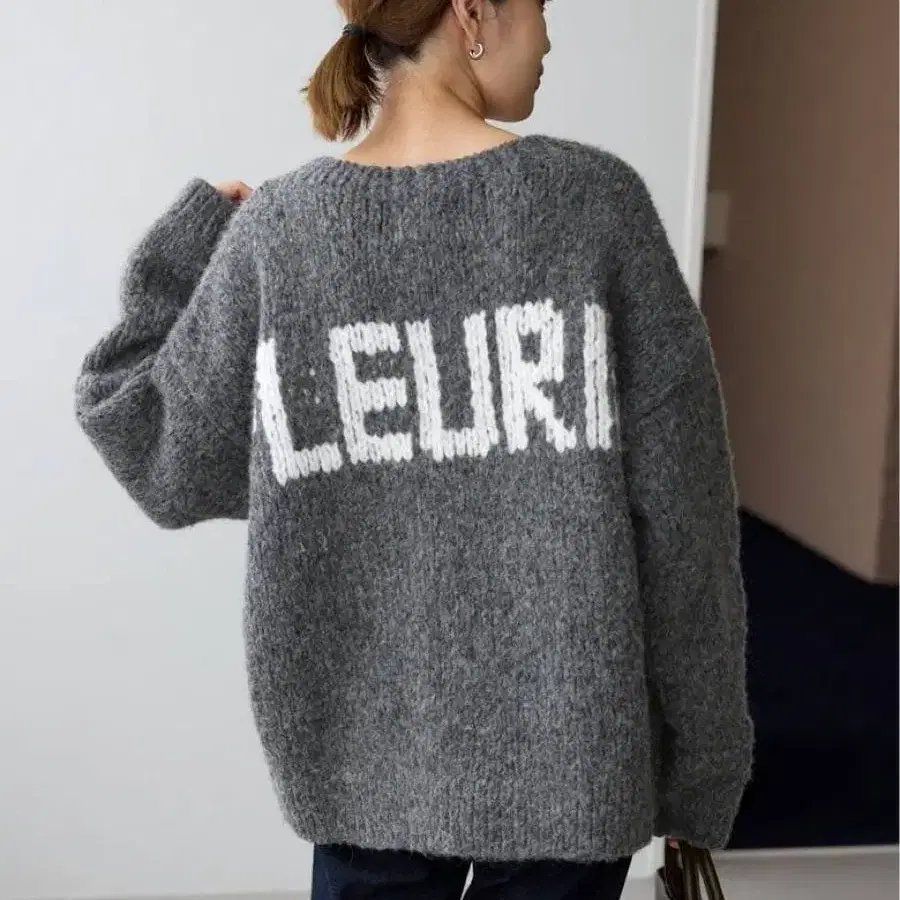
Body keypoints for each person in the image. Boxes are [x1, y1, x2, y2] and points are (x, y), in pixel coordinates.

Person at [75, 0, 753, 897]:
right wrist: (702, 769)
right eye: (541, 5)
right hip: (573, 768)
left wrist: (193, 242)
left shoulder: (281, 235)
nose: (549, 36)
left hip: (357, 775)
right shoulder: (595, 208)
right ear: (473, 10)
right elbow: (686, 528)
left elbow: (147, 439)